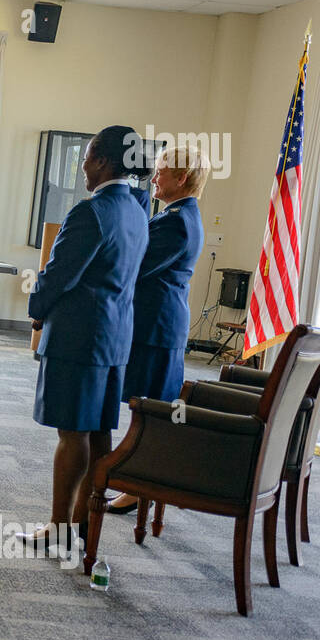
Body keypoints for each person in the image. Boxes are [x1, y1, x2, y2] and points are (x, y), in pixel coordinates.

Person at [23, 126, 149, 551]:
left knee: (71, 434)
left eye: (87, 156)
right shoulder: (137, 210)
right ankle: (82, 523)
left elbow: (59, 275)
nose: (82, 166)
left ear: (100, 160)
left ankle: (59, 526)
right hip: (114, 340)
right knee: (97, 433)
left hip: (78, 340)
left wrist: (36, 311)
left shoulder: (90, 211)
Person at [105, 142, 209, 514]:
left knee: (147, 411)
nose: (155, 177)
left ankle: (138, 484)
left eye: (162, 171)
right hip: (158, 326)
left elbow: (136, 267)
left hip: (156, 330)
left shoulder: (177, 221)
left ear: (181, 178)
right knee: (145, 408)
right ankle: (137, 482)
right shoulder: (180, 213)